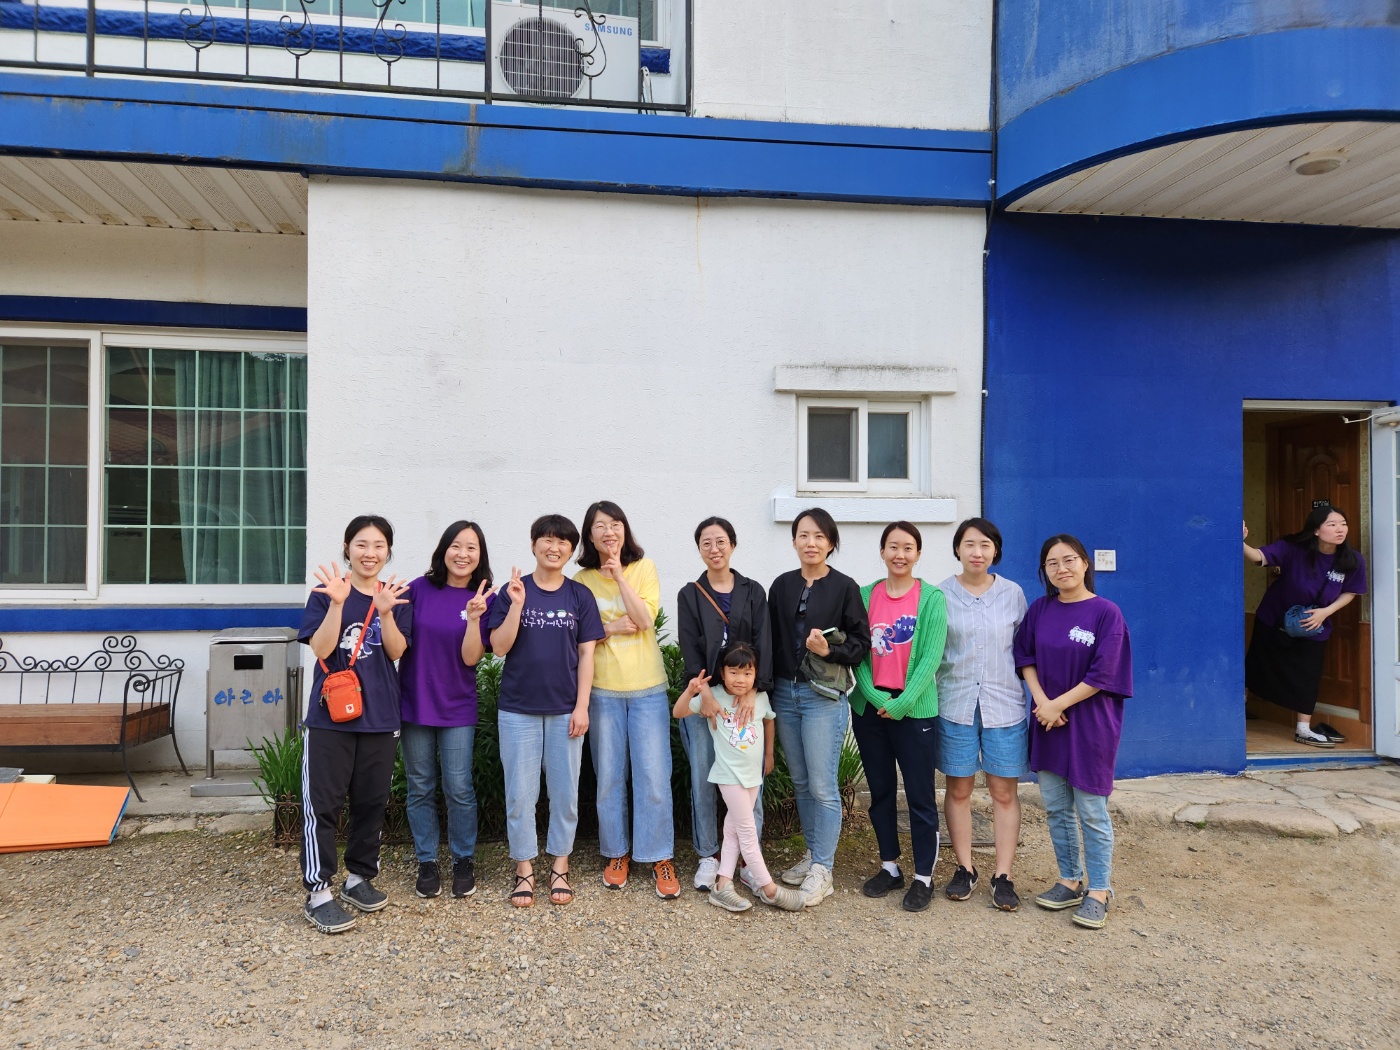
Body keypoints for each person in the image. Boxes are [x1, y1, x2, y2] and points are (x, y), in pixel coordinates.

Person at [298, 514, 413, 934]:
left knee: (371, 802)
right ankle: (318, 892)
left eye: (379, 545)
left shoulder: (396, 596)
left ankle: (359, 877)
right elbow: (321, 648)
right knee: (323, 805)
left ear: (388, 551)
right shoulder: (327, 592)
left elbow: (397, 651)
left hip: (380, 716)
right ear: (347, 548)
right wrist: (337, 604)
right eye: (361, 544)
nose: (370, 553)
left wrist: (386, 614)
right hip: (331, 718)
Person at [1014, 534, 1132, 931]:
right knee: (1056, 806)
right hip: (1047, 720)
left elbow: (1104, 672)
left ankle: (1099, 889)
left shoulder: (1106, 613)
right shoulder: (1040, 609)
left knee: (1092, 810)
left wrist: (1058, 705)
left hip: (1091, 725)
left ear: (1084, 564)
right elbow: (1024, 656)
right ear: (1044, 571)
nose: (1061, 568)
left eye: (1069, 560)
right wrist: (1043, 702)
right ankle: (1069, 879)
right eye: (1052, 563)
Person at [487, 514, 605, 908]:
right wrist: (517, 607)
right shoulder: (512, 591)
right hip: (517, 709)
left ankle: (560, 866)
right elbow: (498, 648)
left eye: (563, 542)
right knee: (520, 795)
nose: (554, 548)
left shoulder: (579, 596)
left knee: (565, 793)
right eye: (547, 540)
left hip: (564, 710)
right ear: (534, 544)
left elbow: (587, 655)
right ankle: (524, 869)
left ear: (571, 550)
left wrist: (582, 707)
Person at [574, 500, 679, 900]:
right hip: (603, 690)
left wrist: (619, 577)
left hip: (648, 688)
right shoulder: (581, 580)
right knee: (609, 778)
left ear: (625, 529)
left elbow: (647, 620)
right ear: (590, 535)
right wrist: (613, 627)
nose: (609, 531)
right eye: (600, 526)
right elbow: (578, 636)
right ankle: (616, 853)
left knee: (654, 777)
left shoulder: (643, 568)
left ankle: (659, 855)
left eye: (615, 524)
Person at [768, 507, 871, 907]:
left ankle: (823, 870)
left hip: (823, 697)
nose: (810, 543)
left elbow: (861, 644)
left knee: (823, 786)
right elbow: (769, 640)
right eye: (803, 535)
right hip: (785, 693)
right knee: (801, 782)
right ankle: (813, 854)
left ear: (831, 543)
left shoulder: (845, 587)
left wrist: (829, 650)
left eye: (819, 537)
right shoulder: (782, 585)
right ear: (794, 540)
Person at [850, 521, 948, 912]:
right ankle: (889, 866)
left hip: (915, 709)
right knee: (881, 791)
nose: (900, 554)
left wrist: (903, 702)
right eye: (893, 546)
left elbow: (931, 657)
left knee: (920, 795)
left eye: (908, 547)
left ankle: (924, 876)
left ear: (918, 554)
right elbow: (856, 653)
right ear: (882, 552)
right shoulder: (864, 595)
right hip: (870, 709)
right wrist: (876, 696)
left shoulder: (931, 598)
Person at [935, 517, 1029, 911]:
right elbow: (933, 652)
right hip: (955, 704)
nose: (977, 552)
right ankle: (965, 868)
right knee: (958, 790)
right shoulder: (939, 595)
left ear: (996, 551)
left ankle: (1003, 875)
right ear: (957, 549)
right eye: (969, 544)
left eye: (985, 545)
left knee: (1004, 793)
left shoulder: (1013, 594)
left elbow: (1025, 651)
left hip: (1004, 705)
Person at [676, 516, 773, 893]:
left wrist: (752, 690)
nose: (714, 549)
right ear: (699, 549)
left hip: (746, 699)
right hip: (707, 698)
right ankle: (708, 855)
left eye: (721, 542)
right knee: (705, 777)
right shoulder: (690, 594)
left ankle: (749, 860)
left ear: (733, 545)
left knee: (750, 778)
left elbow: (764, 643)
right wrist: (703, 694)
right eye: (706, 543)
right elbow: (689, 649)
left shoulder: (753, 591)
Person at [397, 520, 493, 900]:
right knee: (420, 786)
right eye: (456, 545)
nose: (462, 554)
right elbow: (396, 643)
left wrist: (474, 618)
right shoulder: (418, 589)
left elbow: (471, 658)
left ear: (480, 555)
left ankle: (463, 859)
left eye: (471, 548)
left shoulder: (483, 597)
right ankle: (427, 861)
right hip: (415, 702)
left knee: (459, 788)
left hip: (457, 706)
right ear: (443, 549)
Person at [672, 643, 805, 913]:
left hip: (753, 776)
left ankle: (722, 884)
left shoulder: (760, 698)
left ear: (756, 674)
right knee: (747, 831)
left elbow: (769, 720)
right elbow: (679, 712)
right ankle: (769, 888)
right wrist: (691, 690)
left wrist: (769, 754)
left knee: (733, 830)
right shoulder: (714, 697)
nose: (740, 679)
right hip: (729, 775)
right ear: (722, 673)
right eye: (733, 672)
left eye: (747, 673)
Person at [1244, 504, 1367, 747]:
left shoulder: (1352, 560)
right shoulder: (1292, 549)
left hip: (1314, 624)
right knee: (1257, 664)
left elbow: (1351, 591)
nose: (1340, 529)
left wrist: (1326, 612)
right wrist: (1239, 541)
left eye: (1343, 524)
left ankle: (1303, 729)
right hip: (1274, 618)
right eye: (1332, 524)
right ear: (1316, 530)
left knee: (1308, 675)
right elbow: (1259, 557)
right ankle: (1238, 709)